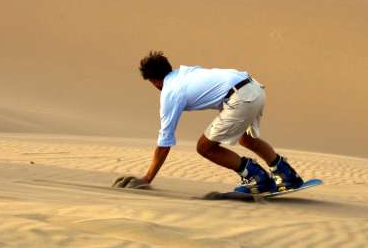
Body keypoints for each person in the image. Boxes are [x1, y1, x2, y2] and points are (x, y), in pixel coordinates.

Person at [112, 51, 304, 194]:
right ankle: (287, 175)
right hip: (254, 88)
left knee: (205, 147)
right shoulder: (185, 72)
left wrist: (147, 177)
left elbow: (164, 141)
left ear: (154, 81)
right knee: (246, 139)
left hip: (240, 98)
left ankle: (257, 178)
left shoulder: (170, 92)